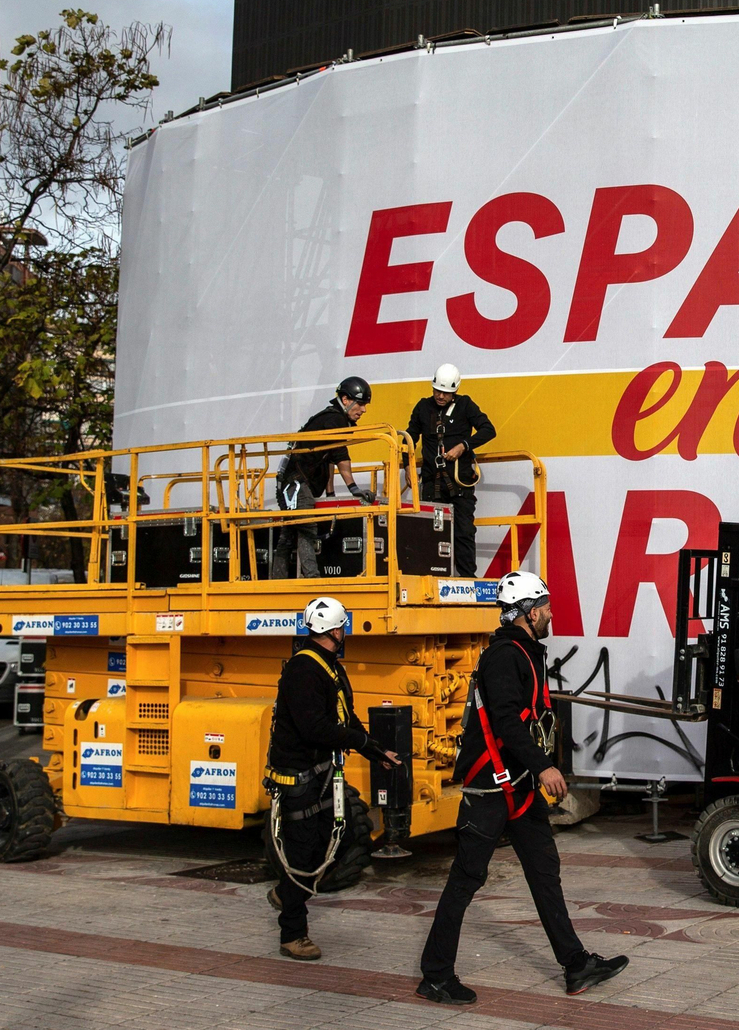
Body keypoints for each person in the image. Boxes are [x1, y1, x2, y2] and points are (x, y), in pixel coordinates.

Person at [417, 571, 628, 1004]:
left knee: (545, 872)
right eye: (547, 607)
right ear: (531, 614)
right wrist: (544, 766)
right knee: (466, 879)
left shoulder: (526, 652)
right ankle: (435, 976)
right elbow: (507, 721)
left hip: (519, 785)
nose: (552, 613)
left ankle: (575, 965)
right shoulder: (504, 657)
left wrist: (537, 768)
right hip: (491, 789)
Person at [264, 597, 400, 960]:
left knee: (332, 846)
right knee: (303, 853)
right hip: (298, 780)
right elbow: (316, 728)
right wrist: (358, 741)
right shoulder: (303, 671)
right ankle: (292, 933)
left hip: (321, 775)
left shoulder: (329, 668)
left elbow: (344, 717)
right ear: (338, 630)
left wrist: (375, 751)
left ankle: (287, 892)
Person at [273, 377, 377, 578]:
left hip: (291, 482)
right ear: (346, 400)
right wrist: (353, 488)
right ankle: (312, 579)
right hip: (295, 483)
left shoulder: (333, 419)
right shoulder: (335, 420)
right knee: (305, 527)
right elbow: (339, 454)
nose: (363, 410)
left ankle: (276, 580)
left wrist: (330, 491)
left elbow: (329, 456)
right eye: (361, 404)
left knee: (289, 534)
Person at [406, 364, 496, 577]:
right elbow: (408, 438)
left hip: (459, 482)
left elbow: (488, 430)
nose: (440, 396)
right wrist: (408, 467)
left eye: (445, 393)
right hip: (431, 483)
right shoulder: (423, 407)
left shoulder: (465, 405)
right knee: (431, 533)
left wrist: (463, 445)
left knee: (464, 532)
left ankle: (467, 578)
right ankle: (432, 577)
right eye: (437, 391)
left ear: (454, 391)